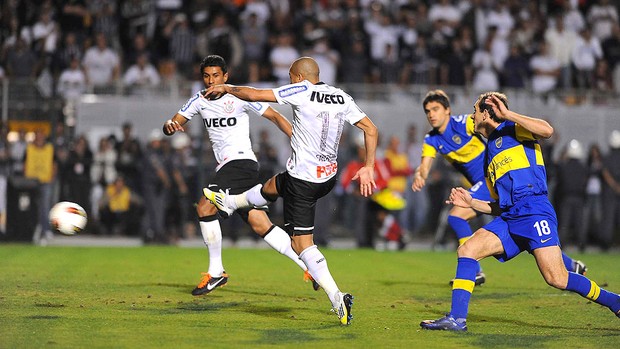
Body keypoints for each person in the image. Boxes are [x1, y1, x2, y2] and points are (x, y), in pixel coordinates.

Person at [420, 92, 620, 332]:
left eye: (475, 110)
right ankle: (456, 319)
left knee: (557, 278)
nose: (472, 115)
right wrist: (471, 202)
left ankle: (614, 301)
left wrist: (508, 114)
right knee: (467, 249)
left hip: (534, 211)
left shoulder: (514, 128)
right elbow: (498, 205)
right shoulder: (488, 156)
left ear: (486, 113)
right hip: (510, 217)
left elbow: (547, 130)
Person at [203, 56, 378, 325]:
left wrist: (227, 88)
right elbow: (371, 128)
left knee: (301, 244)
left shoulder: (302, 90)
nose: (289, 81)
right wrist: (368, 166)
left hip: (303, 182)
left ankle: (336, 296)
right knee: (273, 186)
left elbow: (254, 94)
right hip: (327, 177)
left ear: (297, 77)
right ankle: (231, 202)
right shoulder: (341, 96)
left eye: (289, 77)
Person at [162, 55, 318, 297]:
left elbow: (276, 116)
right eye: (206, 76)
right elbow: (173, 122)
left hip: (241, 162)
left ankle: (216, 273)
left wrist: (301, 142)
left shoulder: (238, 96)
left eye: (216, 75)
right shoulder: (199, 100)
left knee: (205, 207)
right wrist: (170, 126)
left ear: (225, 76)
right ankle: (309, 267)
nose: (211, 80)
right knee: (260, 224)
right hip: (231, 167)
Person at [412, 90, 587, 287]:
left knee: (455, 216)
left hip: (493, 180)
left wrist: (502, 117)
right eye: (428, 111)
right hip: (486, 185)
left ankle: (475, 270)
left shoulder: (464, 123)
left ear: (447, 110)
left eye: (436, 109)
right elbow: (425, 165)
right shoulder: (431, 139)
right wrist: (421, 174)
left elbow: (489, 124)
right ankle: (570, 265)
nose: (431, 114)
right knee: (522, 231)